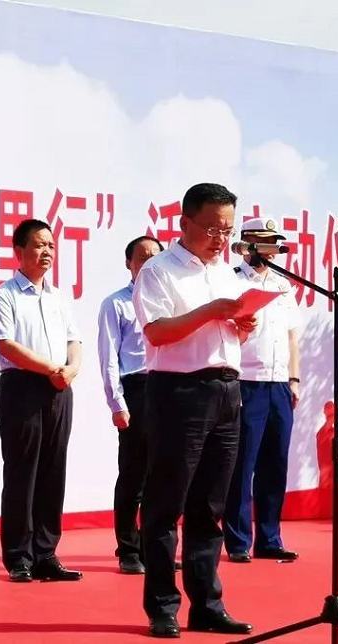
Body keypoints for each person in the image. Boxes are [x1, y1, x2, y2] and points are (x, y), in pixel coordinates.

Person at [133, 182, 256, 638]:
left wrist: (242, 324)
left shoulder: (227, 273)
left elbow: (230, 336)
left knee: (210, 506)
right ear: (185, 222)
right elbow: (157, 332)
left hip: (227, 389)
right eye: (212, 229)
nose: (221, 239)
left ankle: (207, 605)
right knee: (166, 505)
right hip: (179, 391)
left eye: (227, 230)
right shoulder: (159, 270)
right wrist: (211, 310)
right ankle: (162, 606)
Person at [0, 218, 83, 583]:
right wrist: (51, 369)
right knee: (22, 472)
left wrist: (71, 369)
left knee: (53, 471)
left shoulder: (58, 297)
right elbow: (6, 345)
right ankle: (19, 557)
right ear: (19, 251)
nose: (47, 252)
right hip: (22, 388)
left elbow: (74, 340)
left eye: (51, 246)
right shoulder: (4, 295)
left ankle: (46, 554)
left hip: (59, 388)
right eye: (39, 245)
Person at [224, 217, 302, 564]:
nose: (272, 250)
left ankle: (270, 539)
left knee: (275, 464)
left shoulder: (283, 285)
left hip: (279, 384)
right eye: (265, 243)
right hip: (246, 382)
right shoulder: (232, 280)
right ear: (249, 246)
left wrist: (294, 379)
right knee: (242, 466)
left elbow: (291, 336)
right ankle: (239, 541)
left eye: (274, 244)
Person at [97, 235, 164, 575]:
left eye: (156, 257)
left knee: (161, 477)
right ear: (129, 263)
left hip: (168, 389)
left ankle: (154, 549)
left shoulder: (169, 302)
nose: (150, 263)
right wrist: (117, 403)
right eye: (142, 257)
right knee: (133, 476)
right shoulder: (116, 304)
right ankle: (128, 550)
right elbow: (108, 357)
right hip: (136, 390)